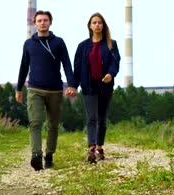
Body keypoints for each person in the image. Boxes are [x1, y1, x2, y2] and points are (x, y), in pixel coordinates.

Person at [16, 10, 77, 171]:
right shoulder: (29, 44)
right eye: (39, 20)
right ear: (35, 23)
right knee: (35, 123)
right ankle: (36, 155)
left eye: (45, 20)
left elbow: (67, 65)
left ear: (50, 22)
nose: (42, 23)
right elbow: (23, 66)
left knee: (53, 125)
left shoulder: (59, 42)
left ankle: (49, 155)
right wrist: (19, 88)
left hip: (55, 90)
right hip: (34, 89)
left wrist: (71, 85)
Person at [74, 12, 120, 163]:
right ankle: (92, 148)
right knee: (92, 117)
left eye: (99, 22)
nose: (97, 25)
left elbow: (115, 63)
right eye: (94, 22)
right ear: (90, 26)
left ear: (103, 25)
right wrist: (73, 85)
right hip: (88, 86)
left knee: (102, 118)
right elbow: (77, 68)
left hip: (105, 86)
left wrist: (111, 74)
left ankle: (100, 145)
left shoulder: (111, 44)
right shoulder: (83, 46)